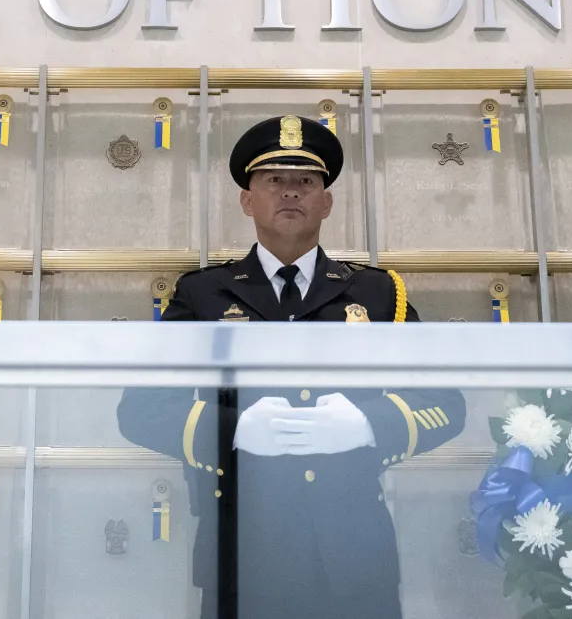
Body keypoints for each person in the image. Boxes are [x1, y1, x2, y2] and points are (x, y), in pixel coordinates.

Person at [117, 115, 466, 619]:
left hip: (354, 555)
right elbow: (141, 411)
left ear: (325, 201)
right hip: (242, 552)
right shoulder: (203, 293)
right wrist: (232, 431)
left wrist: (369, 425)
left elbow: (443, 403)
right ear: (247, 199)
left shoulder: (377, 293)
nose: (290, 192)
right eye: (274, 180)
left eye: (305, 181)